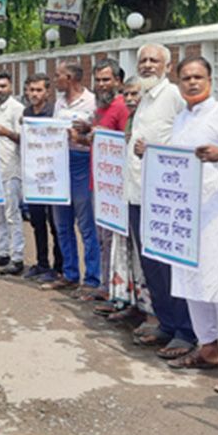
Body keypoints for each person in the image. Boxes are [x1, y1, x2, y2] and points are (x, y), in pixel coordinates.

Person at [145, 57, 218, 394]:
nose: (192, 83)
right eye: (186, 78)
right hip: (188, 216)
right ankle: (208, 348)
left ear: (210, 79)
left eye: (198, 77)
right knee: (193, 285)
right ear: (178, 83)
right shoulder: (181, 118)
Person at [126, 43, 196, 359]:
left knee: (170, 267)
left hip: (165, 199)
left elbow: (189, 143)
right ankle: (166, 323)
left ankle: (186, 331)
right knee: (151, 265)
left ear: (168, 67)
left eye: (155, 60)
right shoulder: (143, 99)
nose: (148, 65)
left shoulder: (174, 98)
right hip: (138, 194)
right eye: (143, 60)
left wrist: (154, 153)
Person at [97, 76, 154, 323]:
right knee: (126, 253)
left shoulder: (151, 122)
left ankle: (152, 312)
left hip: (146, 198)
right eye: (127, 94)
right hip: (123, 194)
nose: (130, 99)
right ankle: (132, 303)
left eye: (135, 94)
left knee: (145, 259)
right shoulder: (131, 120)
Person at [43, 62, 100, 295]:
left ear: (71, 78)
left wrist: (83, 132)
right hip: (59, 161)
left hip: (82, 162)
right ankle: (70, 273)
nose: (55, 80)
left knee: (86, 224)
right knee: (61, 223)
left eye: (58, 76)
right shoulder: (59, 102)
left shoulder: (91, 101)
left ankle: (93, 278)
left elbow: (97, 133)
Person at [81, 59, 129, 301]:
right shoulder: (100, 108)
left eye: (106, 80)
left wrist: (102, 134)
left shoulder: (122, 107)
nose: (101, 85)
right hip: (96, 181)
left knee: (113, 240)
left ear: (118, 82)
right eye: (98, 80)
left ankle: (115, 291)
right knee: (101, 238)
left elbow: (126, 142)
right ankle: (104, 285)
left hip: (115, 186)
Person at [20, 74, 64, 283]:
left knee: (55, 223)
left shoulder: (54, 112)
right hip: (34, 177)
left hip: (53, 176)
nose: (34, 94)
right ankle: (41, 263)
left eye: (38, 90)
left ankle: (59, 266)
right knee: (37, 222)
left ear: (47, 92)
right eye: (31, 90)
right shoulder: (26, 113)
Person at [0, 71, 26, 275]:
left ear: (10, 86)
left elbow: (25, 139)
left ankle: (17, 257)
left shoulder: (17, 109)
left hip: (12, 169)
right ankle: (2, 252)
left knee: (12, 215)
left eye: (3, 86)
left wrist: (6, 132)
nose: (0, 90)